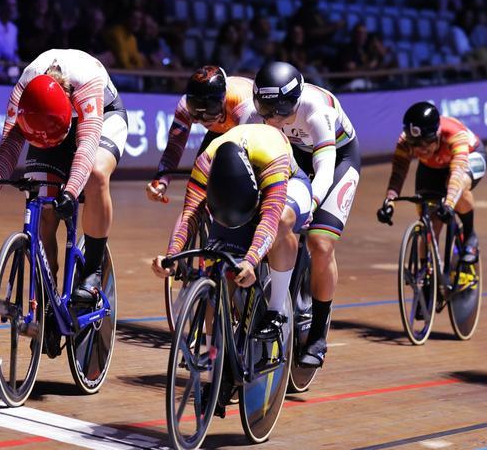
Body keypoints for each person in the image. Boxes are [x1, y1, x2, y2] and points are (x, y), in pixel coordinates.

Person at [0, 49, 128, 316]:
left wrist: (71, 191)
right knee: (44, 212)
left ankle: (92, 272)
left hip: (104, 115)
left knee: (97, 174)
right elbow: (8, 147)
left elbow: (87, 146)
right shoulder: (23, 92)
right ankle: (48, 297)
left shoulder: (86, 82)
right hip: (50, 121)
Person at [151, 124, 313, 341]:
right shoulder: (205, 162)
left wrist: (251, 260)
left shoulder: (272, 159)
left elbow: (270, 221)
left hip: (289, 181)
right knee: (219, 273)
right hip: (238, 187)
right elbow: (189, 214)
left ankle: (276, 311)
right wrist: (172, 255)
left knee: (282, 221)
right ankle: (213, 356)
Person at [251, 61, 360, 368]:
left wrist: (310, 204)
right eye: (266, 112)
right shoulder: (260, 110)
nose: (273, 119)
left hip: (337, 158)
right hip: (295, 153)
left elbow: (325, 169)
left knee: (320, 243)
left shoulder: (317, 109)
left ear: (295, 101)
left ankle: (318, 333)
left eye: (281, 113)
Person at [377, 102, 487, 264]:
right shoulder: (405, 141)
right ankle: (427, 273)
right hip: (433, 166)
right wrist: (389, 202)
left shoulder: (455, 135)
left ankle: (469, 235)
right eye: (415, 144)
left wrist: (449, 204)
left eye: (425, 143)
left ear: (437, 134)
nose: (420, 150)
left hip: (470, 157)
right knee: (429, 219)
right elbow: (398, 174)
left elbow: (457, 173)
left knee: (458, 185)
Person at [145, 65, 255, 203]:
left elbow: (252, 155)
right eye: (195, 112)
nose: (202, 119)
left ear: (223, 99)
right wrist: (161, 182)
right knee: (197, 189)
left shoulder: (242, 104)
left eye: (210, 109)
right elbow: (173, 149)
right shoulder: (185, 107)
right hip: (221, 130)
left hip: (253, 126)